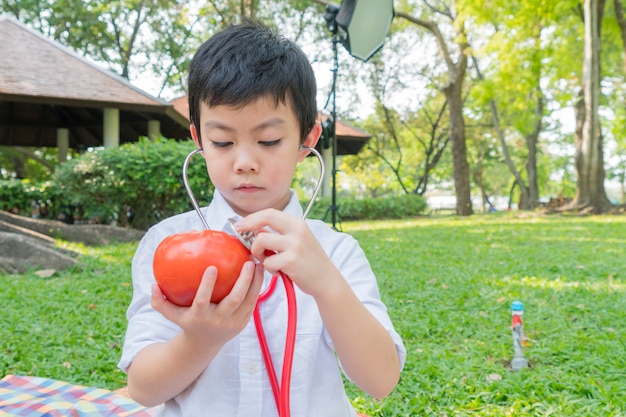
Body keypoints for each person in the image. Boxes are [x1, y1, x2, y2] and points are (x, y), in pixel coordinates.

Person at [118, 20, 405, 417]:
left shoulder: (336, 252)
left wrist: (326, 284)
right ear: (198, 139)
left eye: (269, 141)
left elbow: (381, 380)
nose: (245, 163)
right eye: (222, 142)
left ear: (307, 141)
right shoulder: (166, 244)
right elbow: (143, 389)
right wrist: (199, 340)